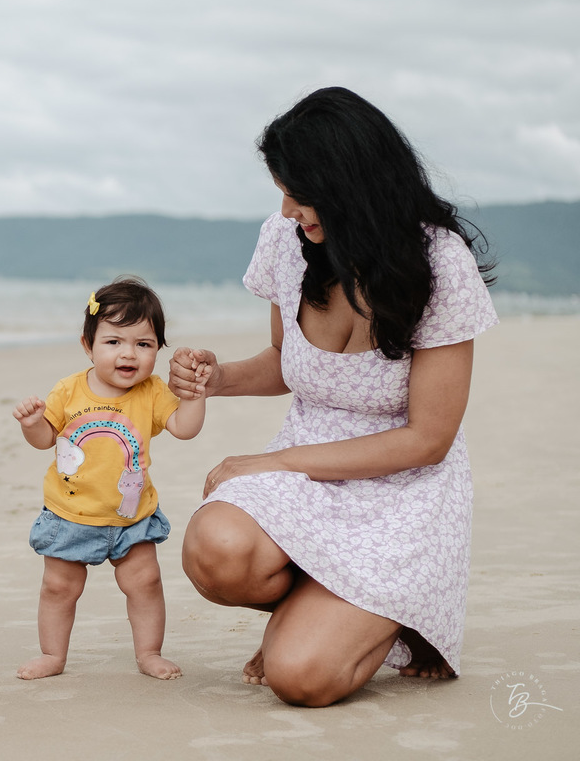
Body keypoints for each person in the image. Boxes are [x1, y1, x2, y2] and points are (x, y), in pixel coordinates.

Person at [170, 87, 498, 707]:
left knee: (303, 679)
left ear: (350, 183)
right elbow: (288, 366)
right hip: (309, 459)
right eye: (281, 192)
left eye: (299, 191)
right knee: (215, 551)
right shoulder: (286, 238)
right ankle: (325, 604)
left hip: (403, 483)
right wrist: (220, 379)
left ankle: (392, 616)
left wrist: (271, 463)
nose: (289, 208)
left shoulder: (438, 263)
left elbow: (428, 441)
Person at [12, 277, 208, 680]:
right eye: (114, 342)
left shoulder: (151, 392)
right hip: (70, 513)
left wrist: (195, 396)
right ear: (89, 345)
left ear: (157, 349)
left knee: (146, 583)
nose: (129, 354)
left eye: (144, 344)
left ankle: (149, 653)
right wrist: (32, 423)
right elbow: (44, 439)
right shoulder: (69, 390)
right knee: (59, 589)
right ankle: (52, 655)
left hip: (131, 515)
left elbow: (184, 428)